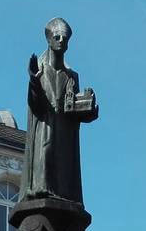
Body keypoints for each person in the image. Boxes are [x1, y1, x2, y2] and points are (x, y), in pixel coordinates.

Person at [23, 17, 98, 204]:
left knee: (65, 170)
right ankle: (41, 189)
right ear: (49, 40)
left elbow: (74, 109)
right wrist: (33, 81)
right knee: (45, 157)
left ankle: (65, 195)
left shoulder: (72, 76)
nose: (61, 41)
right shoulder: (40, 70)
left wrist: (89, 110)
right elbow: (36, 104)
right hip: (45, 130)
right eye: (57, 37)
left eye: (65, 38)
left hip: (65, 136)